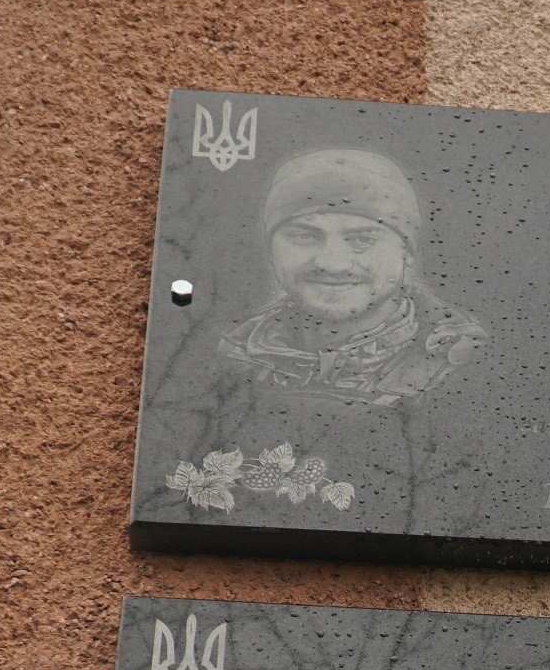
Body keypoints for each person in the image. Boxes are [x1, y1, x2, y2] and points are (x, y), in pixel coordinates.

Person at [150, 149, 487, 529]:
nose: (332, 263)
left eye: (362, 240)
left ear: (406, 254)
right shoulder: (226, 365)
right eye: (303, 236)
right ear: (271, 250)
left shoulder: (465, 365)